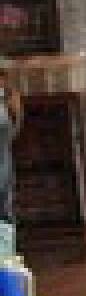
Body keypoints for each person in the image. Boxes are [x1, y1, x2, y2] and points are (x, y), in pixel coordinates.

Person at [0, 60, 21, 224]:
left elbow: (12, 129)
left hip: (4, 156)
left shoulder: (8, 97)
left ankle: (5, 248)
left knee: (6, 204)